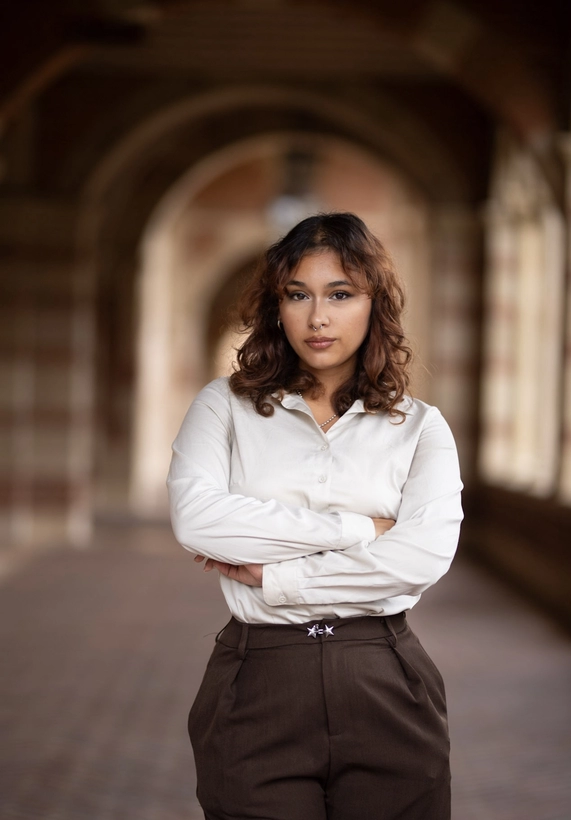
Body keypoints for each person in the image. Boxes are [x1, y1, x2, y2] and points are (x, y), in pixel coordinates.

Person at [167, 212, 463, 820]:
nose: (318, 317)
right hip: (257, 679)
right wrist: (362, 529)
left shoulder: (420, 427)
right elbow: (198, 520)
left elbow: (421, 558)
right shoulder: (224, 406)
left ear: (373, 305)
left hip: (385, 677)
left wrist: (278, 578)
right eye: (298, 295)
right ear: (276, 306)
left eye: (341, 294)